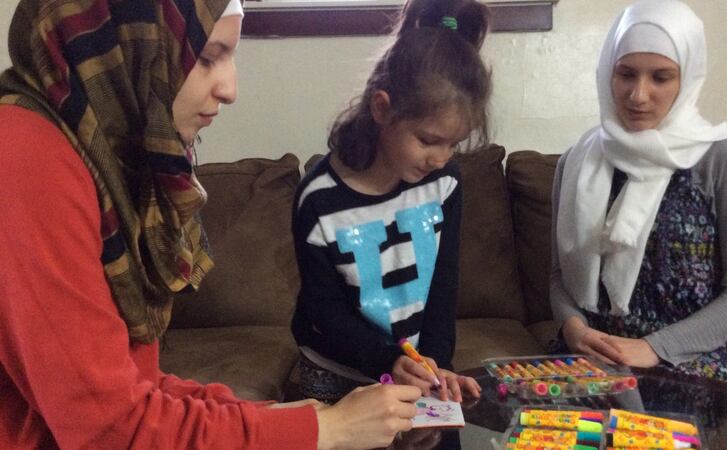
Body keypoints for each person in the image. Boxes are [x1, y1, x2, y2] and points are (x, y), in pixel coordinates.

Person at [0, 1, 421, 448]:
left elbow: (133, 388)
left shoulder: (106, 158)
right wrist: (324, 431)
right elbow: (109, 428)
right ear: (129, 42)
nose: (229, 88)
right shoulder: (26, 157)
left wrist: (272, 419)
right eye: (207, 57)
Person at [549, 0, 727, 386]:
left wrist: (653, 348)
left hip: (697, 354)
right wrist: (574, 329)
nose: (638, 95)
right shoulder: (577, 162)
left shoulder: (723, 157)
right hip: (596, 354)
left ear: (688, 78)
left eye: (661, 77)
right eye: (626, 74)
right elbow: (558, 276)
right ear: (608, 73)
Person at [289, 0, 490, 403]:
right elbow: (323, 312)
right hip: (337, 372)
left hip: (408, 369)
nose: (441, 158)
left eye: (454, 143)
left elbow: (442, 288)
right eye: (429, 140)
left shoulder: (444, 183)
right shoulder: (319, 201)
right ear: (382, 108)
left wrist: (434, 364)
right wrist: (388, 362)